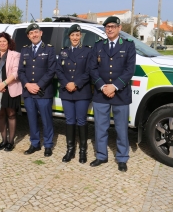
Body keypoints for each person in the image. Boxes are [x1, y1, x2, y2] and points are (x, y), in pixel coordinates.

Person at [89, 16, 136, 172]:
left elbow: (130, 70)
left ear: (119, 28)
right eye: (107, 26)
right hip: (100, 93)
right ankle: (101, 156)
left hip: (120, 94)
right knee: (100, 128)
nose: (109, 29)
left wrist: (114, 86)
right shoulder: (98, 46)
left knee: (121, 128)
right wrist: (103, 86)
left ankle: (122, 158)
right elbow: (92, 69)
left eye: (113, 26)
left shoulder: (128, 46)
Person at [18, 23, 56, 157]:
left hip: (43, 91)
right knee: (32, 119)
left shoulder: (50, 49)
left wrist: (38, 85)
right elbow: (20, 71)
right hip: (29, 92)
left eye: (36, 32)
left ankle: (48, 145)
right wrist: (28, 85)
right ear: (28, 36)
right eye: (31, 33)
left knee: (46, 120)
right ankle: (34, 144)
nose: (34, 35)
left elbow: (51, 70)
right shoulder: (25, 50)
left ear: (41, 33)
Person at [56, 24, 92, 163]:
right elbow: (59, 70)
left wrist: (75, 84)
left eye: (77, 35)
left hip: (81, 91)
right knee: (69, 120)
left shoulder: (88, 52)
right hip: (67, 92)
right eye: (72, 35)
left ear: (80, 36)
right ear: (69, 37)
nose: (75, 37)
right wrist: (67, 84)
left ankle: (83, 151)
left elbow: (89, 71)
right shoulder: (64, 52)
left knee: (81, 120)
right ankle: (70, 149)